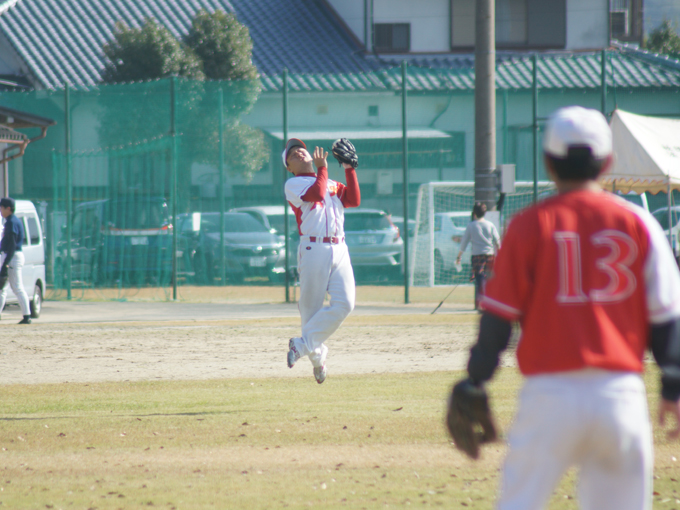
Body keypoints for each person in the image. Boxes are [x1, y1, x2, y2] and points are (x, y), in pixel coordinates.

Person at [448, 106, 680, 509]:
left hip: (549, 395)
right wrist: (674, 385)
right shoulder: (638, 223)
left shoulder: (529, 224)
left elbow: (498, 320)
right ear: (607, 163)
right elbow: (666, 318)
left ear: (548, 163)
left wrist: (475, 379)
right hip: (620, 396)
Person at [283, 138, 360, 384]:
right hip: (313, 247)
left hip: (340, 247)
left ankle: (301, 345)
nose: (299, 153)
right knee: (310, 313)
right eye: (292, 154)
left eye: (301, 150)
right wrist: (323, 168)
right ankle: (317, 359)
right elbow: (316, 193)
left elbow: (353, 200)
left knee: (345, 304)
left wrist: (349, 169)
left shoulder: (333, 184)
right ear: (289, 167)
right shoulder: (293, 184)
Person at [455, 202, 501, 309]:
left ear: (474, 213)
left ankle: (479, 302)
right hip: (490, 255)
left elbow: (464, 243)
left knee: (480, 279)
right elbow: (498, 242)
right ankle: (490, 301)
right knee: (489, 279)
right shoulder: (490, 225)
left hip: (477, 257)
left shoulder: (471, 226)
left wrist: (459, 256)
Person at [0, 197, 32, 324]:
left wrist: (6, 263)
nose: (0, 211)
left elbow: (12, 244)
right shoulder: (11, 221)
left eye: (2, 208)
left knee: (17, 287)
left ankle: (27, 315)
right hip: (11, 256)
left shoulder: (12, 222)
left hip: (13, 257)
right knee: (2, 288)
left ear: (8, 208)